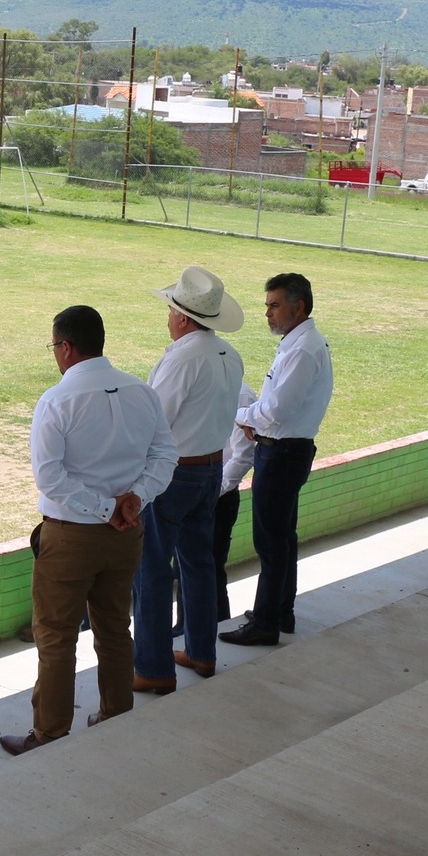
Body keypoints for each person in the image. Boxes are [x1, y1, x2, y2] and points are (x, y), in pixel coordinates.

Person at [2, 305, 176, 755]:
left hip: (72, 535)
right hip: (126, 533)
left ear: (65, 347)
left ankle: (50, 731)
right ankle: (116, 714)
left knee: (56, 635)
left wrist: (104, 508)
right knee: (116, 627)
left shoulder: (57, 400)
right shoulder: (141, 391)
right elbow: (165, 455)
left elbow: (51, 478)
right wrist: (133, 499)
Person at [132, 266, 245, 693]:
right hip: (211, 469)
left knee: (152, 569)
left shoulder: (181, 357)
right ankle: (201, 650)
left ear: (181, 316)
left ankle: (152, 666)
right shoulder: (228, 354)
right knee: (198, 564)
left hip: (174, 474)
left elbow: (154, 421)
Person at [221, 273, 334, 648]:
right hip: (283, 449)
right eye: (267, 305)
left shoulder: (303, 349)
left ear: (298, 307)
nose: (267, 313)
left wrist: (242, 417)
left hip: (282, 452)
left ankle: (267, 621)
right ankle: (279, 610)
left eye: (274, 305)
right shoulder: (299, 343)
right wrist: (257, 419)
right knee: (282, 537)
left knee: (270, 541)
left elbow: (278, 410)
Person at [212, 382, 259, 627]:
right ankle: (185, 629)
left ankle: (217, 627)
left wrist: (213, 491)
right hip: (197, 492)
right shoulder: (199, 383)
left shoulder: (238, 393)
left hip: (218, 496)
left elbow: (243, 455)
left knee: (211, 570)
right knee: (186, 569)